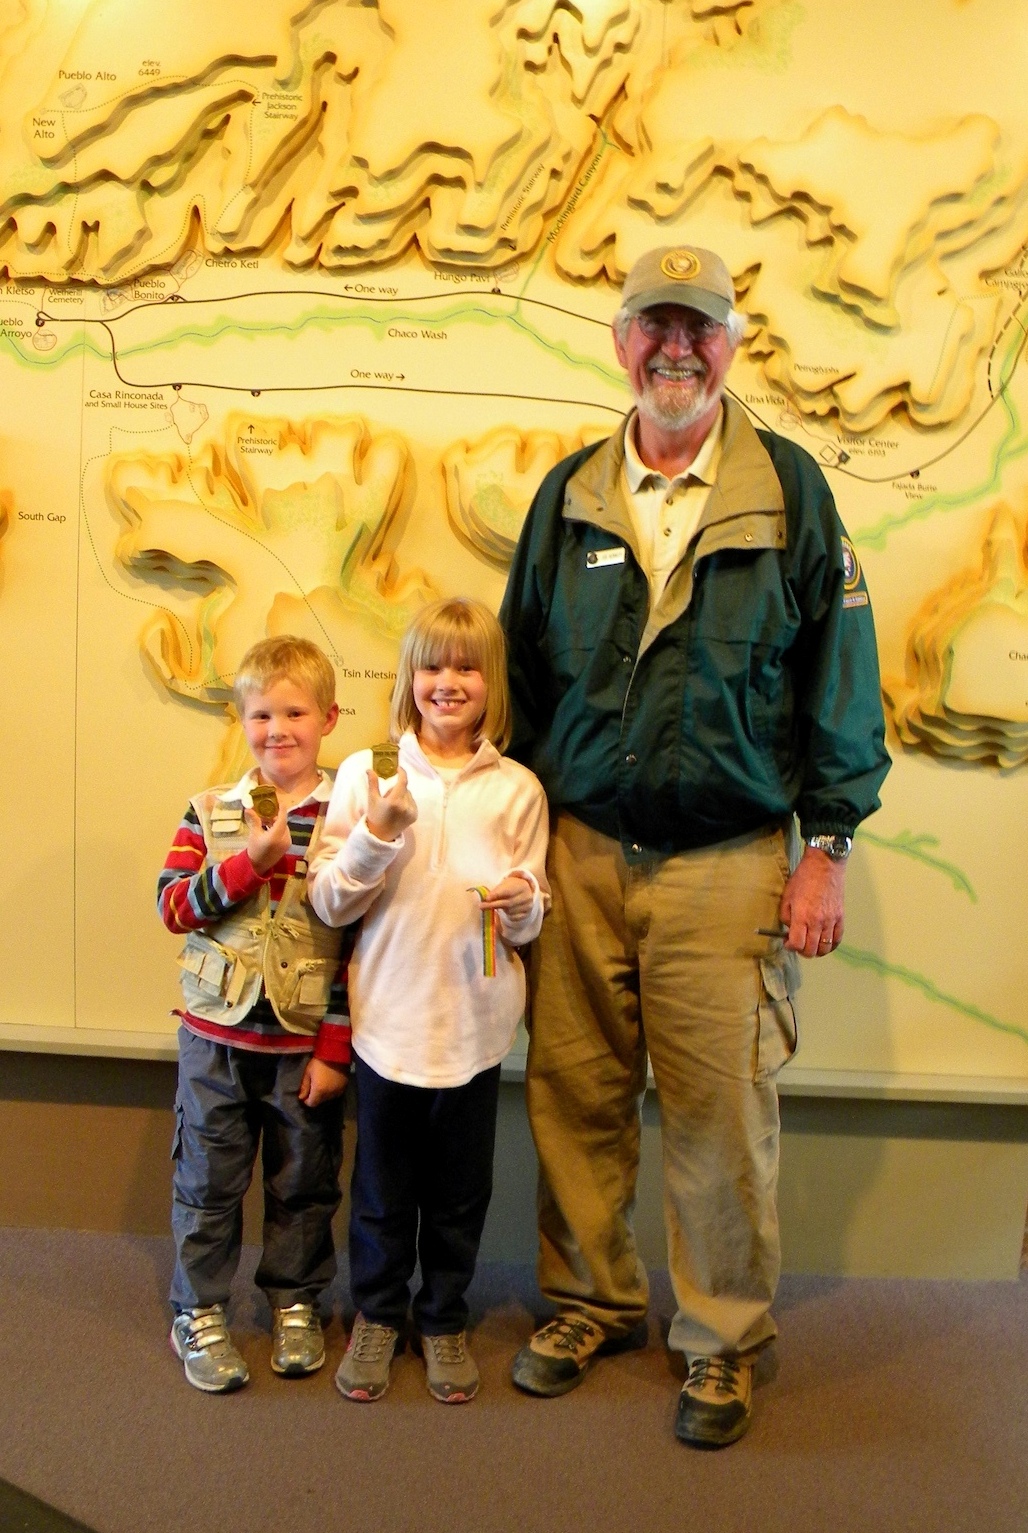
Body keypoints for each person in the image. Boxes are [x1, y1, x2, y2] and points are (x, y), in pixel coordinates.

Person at [499, 244, 891, 1447]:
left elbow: (839, 676)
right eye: (652, 326)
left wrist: (824, 842)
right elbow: (520, 667)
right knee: (573, 1092)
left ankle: (721, 1341)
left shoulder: (788, 494)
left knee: (721, 1115)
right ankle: (590, 1301)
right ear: (618, 342)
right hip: (577, 848)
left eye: (699, 327)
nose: (675, 348)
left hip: (727, 860)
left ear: (731, 343)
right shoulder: (567, 495)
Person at [309, 598, 550, 1404]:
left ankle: (443, 1316)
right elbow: (329, 903)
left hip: (475, 1032)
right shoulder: (366, 772)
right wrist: (378, 832)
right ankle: (377, 1315)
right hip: (388, 1027)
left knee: (458, 1194)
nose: (448, 682)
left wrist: (522, 903)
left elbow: (533, 907)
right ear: (411, 676)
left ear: (493, 683)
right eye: (433, 665)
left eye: (467, 667)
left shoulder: (517, 789)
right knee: (381, 1191)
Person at [158, 635, 351, 1393]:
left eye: (295, 712)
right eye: (261, 713)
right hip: (214, 1039)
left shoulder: (348, 817)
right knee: (207, 1179)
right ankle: (198, 1309)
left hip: (304, 1044)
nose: (279, 729)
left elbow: (359, 942)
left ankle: (294, 1299)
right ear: (242, 720)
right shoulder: (211, 811)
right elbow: (174, 905)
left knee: (303, 1179)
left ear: (328, 718)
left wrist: (336, 1047)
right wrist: (248, 865)